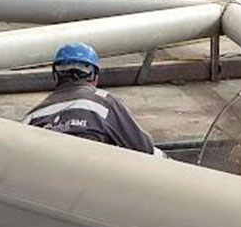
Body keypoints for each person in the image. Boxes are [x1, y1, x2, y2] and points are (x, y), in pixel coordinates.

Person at [23, 43, 155, 154]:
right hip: (95, 173)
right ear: (95, 77)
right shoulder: (104, 103)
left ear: (55, 76)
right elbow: (143, 147)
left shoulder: (33, 116)